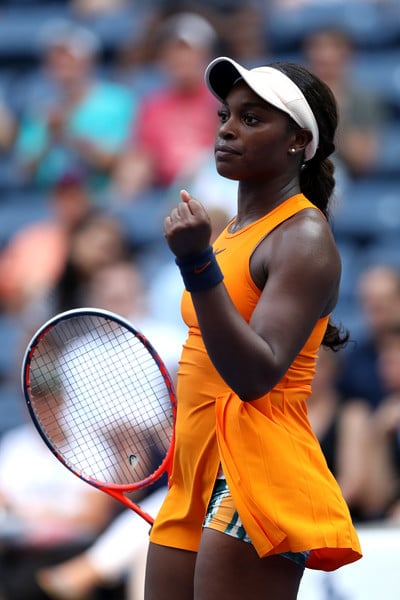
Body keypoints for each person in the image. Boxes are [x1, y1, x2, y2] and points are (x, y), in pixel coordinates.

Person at [143, 56, 362, 600]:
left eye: (251, 119)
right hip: (194, 468)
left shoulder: (304, 237)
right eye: (225, 114)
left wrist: (197, 265)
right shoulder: (234, 231)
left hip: (255, 474)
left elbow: (255, 374)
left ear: (297, 140)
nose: (227, 129)